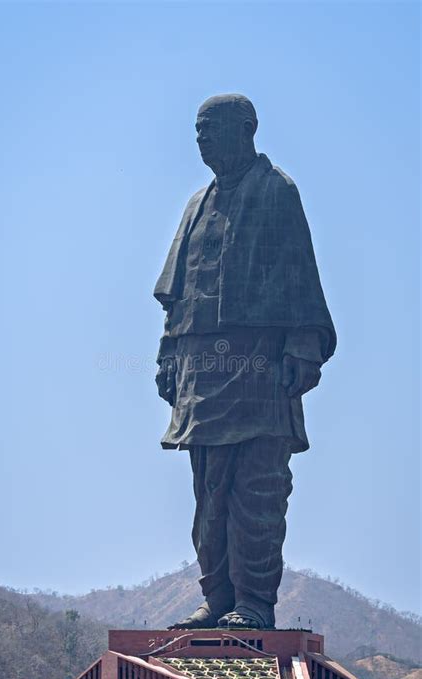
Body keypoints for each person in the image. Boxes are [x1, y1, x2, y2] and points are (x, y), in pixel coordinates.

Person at [154, 94, 336, 630]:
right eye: (197, 131)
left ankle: (254, 603)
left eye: (212, 129)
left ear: (247, 129)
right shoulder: (195, 204)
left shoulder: (277, 191)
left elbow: (300, 274)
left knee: (257, 487)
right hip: (201, 372)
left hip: (259, 365)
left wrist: (301, 347)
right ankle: (217, 598)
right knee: (208, 491)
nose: (201, 140)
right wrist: (168, 356)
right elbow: (176, 293)